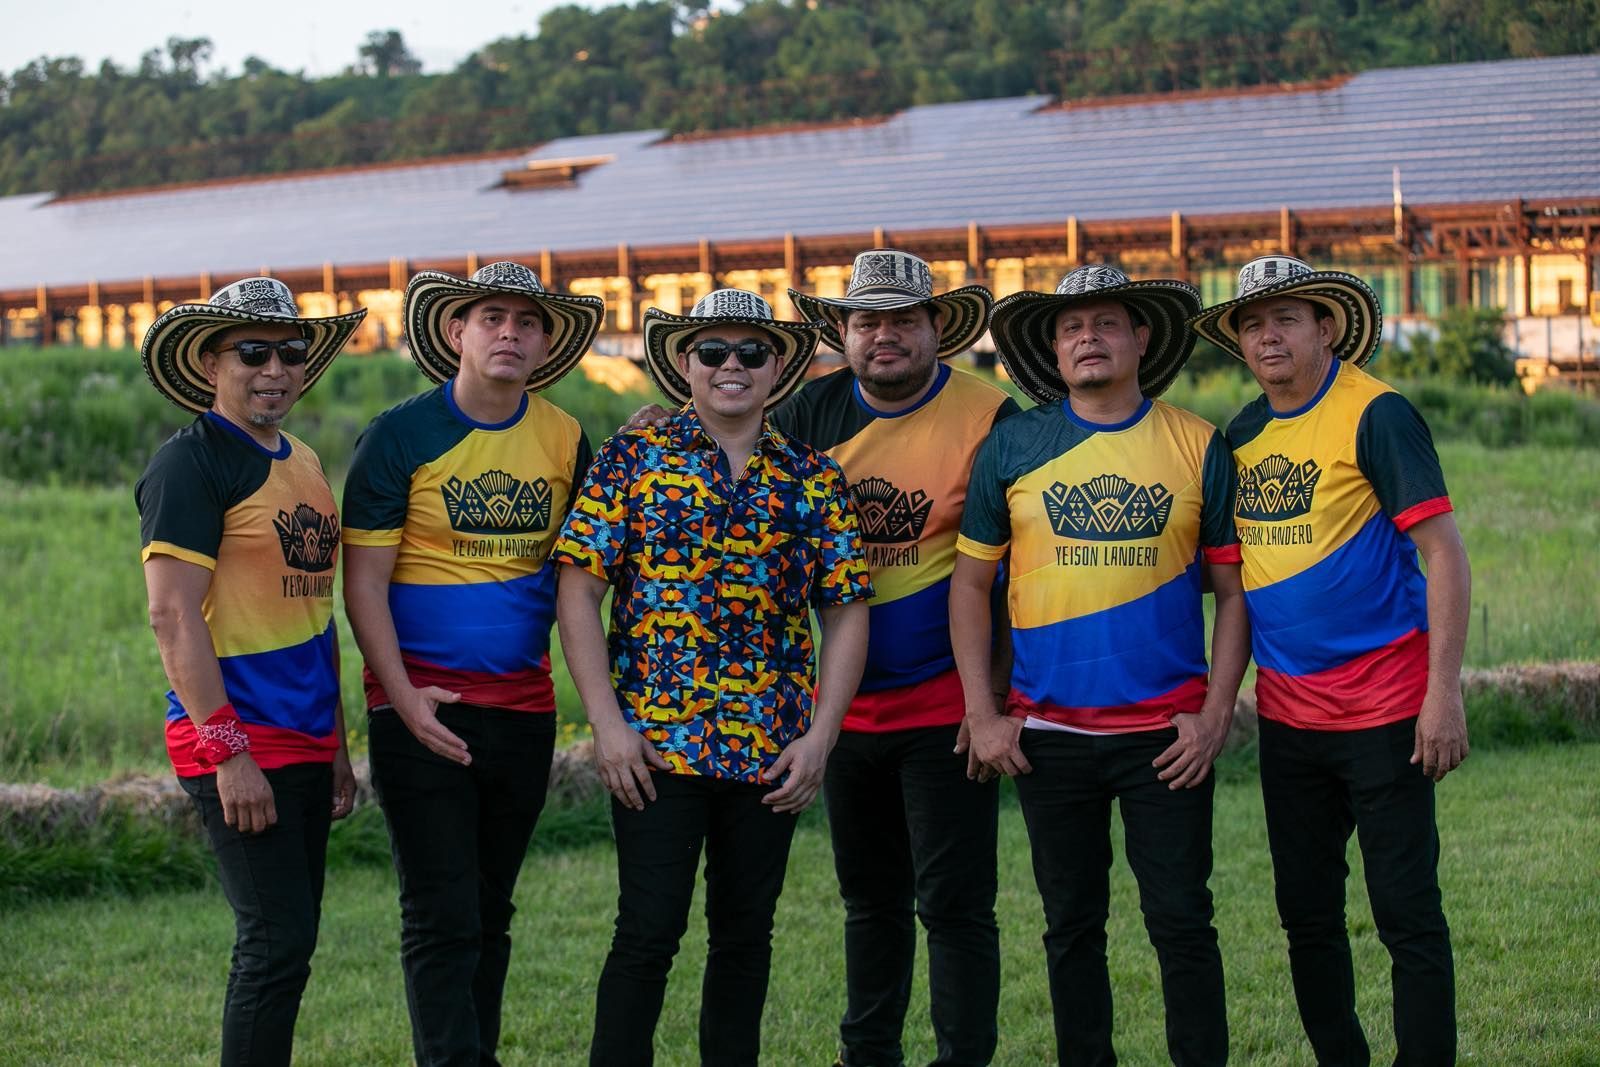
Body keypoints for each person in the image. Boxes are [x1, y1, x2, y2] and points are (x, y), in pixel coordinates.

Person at [553, 289, 873, 1067]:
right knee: (646, 933)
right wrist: (608, 724)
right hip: (657, 747)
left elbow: (846, 610)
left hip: (772, 747)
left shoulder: (812, 477)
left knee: (745, 936)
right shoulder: (633, 460)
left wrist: (821, 737)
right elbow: (578, 589)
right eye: (713, 351)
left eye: (752, 352)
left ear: (778, 368)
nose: (732, 366)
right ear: (684, 363)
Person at [952, 265, 1249, 1066]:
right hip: (1047, 735)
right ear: (1052, 347)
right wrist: (984, 714)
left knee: (1183, 920)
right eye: (1071, 326)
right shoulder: (1013, 444)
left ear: (1141, 337)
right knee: (1071, 926)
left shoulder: (1197, 443)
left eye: (1106, 322)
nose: (1089, 337)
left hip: (1167, 737)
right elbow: (971, 584)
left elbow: (1233, 593)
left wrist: (1218, 712)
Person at [1190, 255, 1470, 1065]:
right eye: (1251, 322)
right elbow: (1235, 588)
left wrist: (1442, 693)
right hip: (1289, 723)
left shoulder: (1377, 414)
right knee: (1306, 917)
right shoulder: (1239, 435)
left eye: (1287, 317)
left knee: (1407, 914)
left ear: (1327, 327)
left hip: (1387, 712)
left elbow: (1444, 554)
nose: (1267, 334)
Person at [341, 261, 603, 1065]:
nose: (509, 334)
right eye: (492, 317)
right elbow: (363, 585)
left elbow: (580, 580)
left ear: (545, 342)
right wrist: (404, 696)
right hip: (421, 706)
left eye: (527, 323)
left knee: (490, 908)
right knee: (439, 910)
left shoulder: (564, 438)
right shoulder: (399, 435)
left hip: (522, 710)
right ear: (457, 331)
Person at [781, 248, 1017, 1067]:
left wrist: (992, 701)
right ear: (842, 333)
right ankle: (866, 1053)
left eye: (903, 320)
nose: (884, 336)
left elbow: (1013, 573)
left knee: (954, 904)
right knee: (869, 901)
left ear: (937, 329)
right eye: (866, 320)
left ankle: (962, 1057)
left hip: (946, 709)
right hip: (843, 710)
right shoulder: (805, 416)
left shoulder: (992, 417)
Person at [136, 277, 365, 1065]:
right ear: (208, 363)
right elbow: (171, 616)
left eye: (291, 353)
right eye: (253, 352)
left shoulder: (301, 459)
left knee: (291, 946)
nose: (276, 368)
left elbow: (314, 609)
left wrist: (335, 740)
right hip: (236, 740)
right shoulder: (191, 467)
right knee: (273, 943)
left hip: (303, 737)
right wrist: (230, 754)